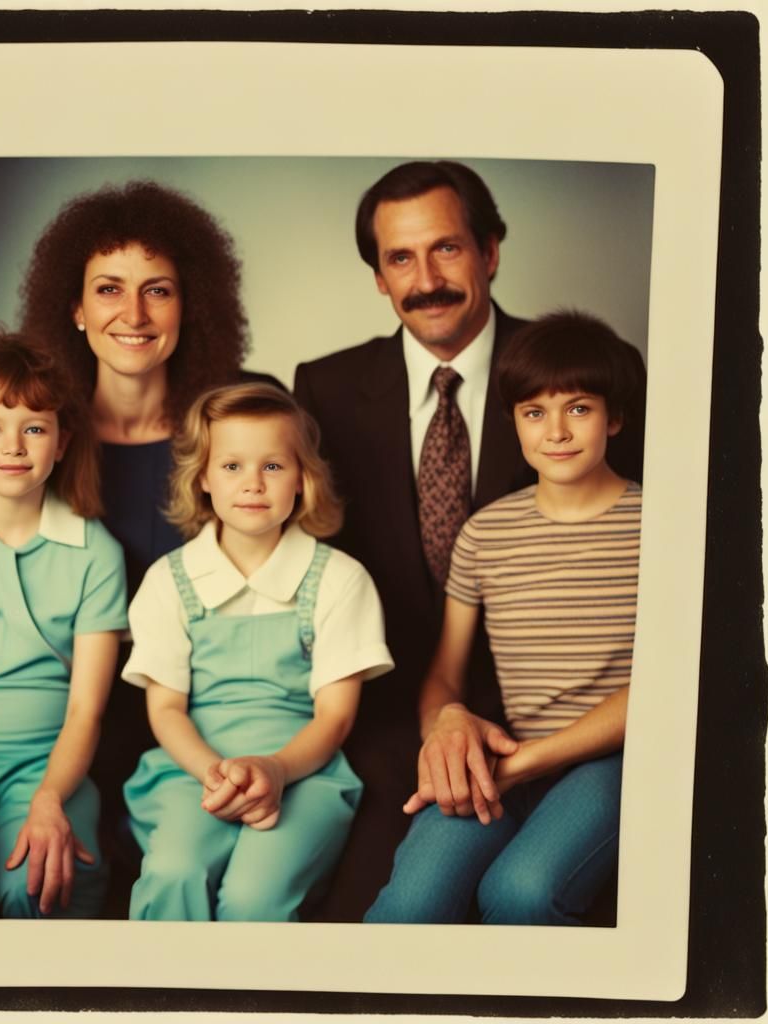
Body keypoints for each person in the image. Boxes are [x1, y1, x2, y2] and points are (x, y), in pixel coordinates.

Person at [293, 160, 646, 920]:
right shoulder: (324, 389)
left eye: (447, 248)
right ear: (380, 278)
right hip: (400, 715)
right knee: (382, 914)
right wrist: (440, 720)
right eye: (400, 258)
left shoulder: (574, 369)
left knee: (520, 894)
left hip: (583, 726)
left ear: (490, 251)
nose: (426, 278)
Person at [19, 181, 279, 913]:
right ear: (73, 307)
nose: (133, 316)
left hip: (220, 726)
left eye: (157, 291)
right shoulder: (31, 440)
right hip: (70, 732)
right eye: (108, 289)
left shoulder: (246, 421)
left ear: (189, 303)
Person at [365, 310, 641, 924]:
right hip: (510, 753)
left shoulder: (657, 524)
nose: (557, 431)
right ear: (513, 422)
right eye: (535, 412)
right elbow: (444, 674)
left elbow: (671, 684)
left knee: (519, 891)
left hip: (615, 759)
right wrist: (449, 724)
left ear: (614, 417)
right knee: (410, 903)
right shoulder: (486, 532)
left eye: (579, 408)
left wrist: (524, 764)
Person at [120, 384, 393, 920]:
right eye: (231, 466)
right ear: (202, 476)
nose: (252, 484)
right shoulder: (168, 582)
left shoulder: (339, 580)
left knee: (253, 896)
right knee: (175, 871)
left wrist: (274, 769)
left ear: (302, 478)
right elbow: (166, 708)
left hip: (304, 771)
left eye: (273, 466)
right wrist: (214, 773)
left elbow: (334, 718)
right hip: (190, 768)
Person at [0, 327, 127, 918]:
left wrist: (49, 801)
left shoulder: (96, 554)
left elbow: (87, 709)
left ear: (61, 443)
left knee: (33, 889)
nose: (13, 445)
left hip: (49, 771)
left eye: (34, 427)